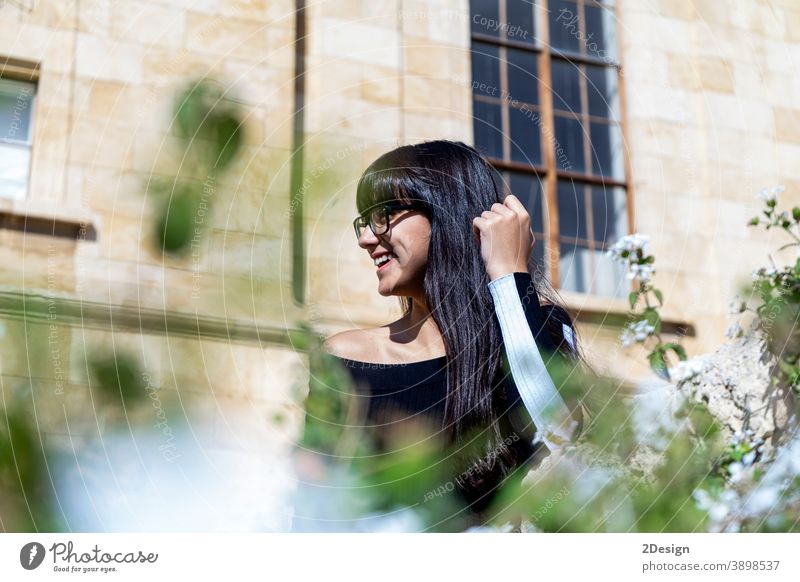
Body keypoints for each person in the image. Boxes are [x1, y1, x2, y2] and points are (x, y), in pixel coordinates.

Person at [305, 140, 588, 530]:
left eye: (385, 213)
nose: (366, 239)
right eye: (365, 221)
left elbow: (564, 433)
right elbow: (312, 509)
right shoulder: (344, 358)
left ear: (447, 211)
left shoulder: (538, 328)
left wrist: (509, 275)